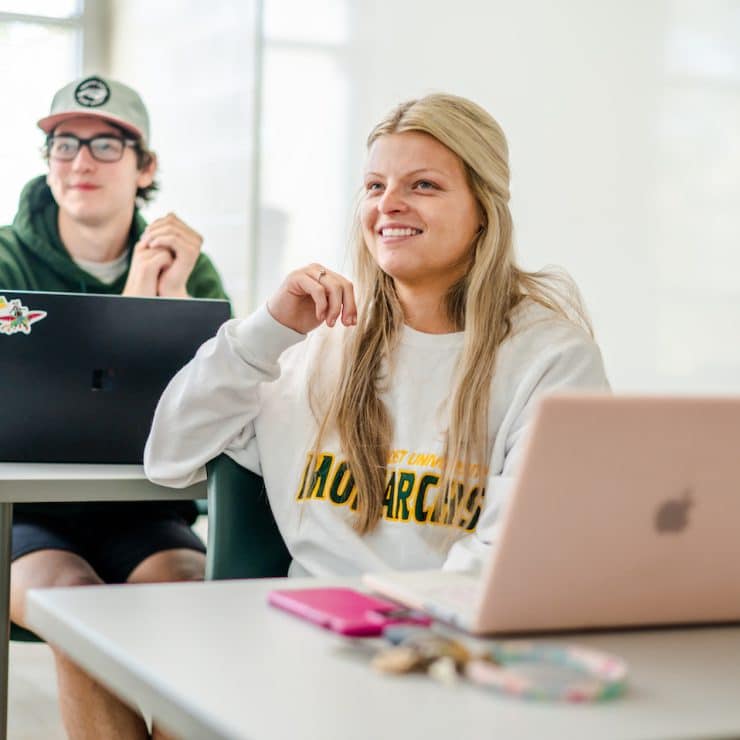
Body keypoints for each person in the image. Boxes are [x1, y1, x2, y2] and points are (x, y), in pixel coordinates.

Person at [145, 93, 609, 580]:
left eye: (424, 185)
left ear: (483, 212)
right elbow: (170, 456)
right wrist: (267, 329)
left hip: (447, 640)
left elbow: (514, 555)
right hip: (302, 634)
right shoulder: (310, 343)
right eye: (374, 185)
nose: (388, 205)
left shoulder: (553, 358)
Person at [0, 75, 228, 739]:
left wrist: (169, 298)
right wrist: (131, 300)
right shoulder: (6, 258)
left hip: (143, 510)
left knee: (196, 603)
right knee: (78, 611)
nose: (80, 162)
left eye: (105, 146)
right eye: (65, 144)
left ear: (145, 167)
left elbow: (219, 407)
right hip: (24, 516)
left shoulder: (191, 268)